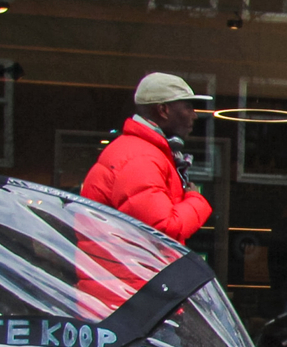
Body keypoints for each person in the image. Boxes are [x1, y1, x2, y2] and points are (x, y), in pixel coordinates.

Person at [82, 73, 213, 242]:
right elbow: (162, 230)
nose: (194, 115)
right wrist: (195, 199)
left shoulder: (142, 151)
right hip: (129, 267)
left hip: (124, 266)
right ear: (163, 110)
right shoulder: (140, 158)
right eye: (188, 107)